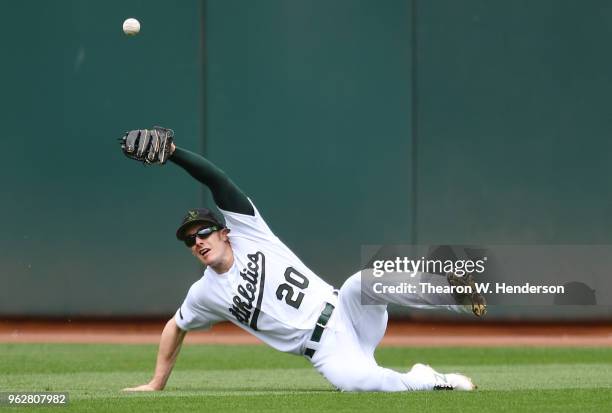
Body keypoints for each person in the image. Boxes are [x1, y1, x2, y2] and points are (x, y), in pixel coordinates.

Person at [121, 129, 479, 392]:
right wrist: (156, 383)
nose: (197, 241)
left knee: (364, 281)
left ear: (223, 231)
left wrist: (173, 153)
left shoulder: (249, 232)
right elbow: (175, 326)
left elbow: (218, 180)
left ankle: (456, 294)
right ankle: (428, 379)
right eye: (189, 239)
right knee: (359, 384)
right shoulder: (205, 294)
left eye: (203, 232)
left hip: (345, 310)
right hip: (325, 350)